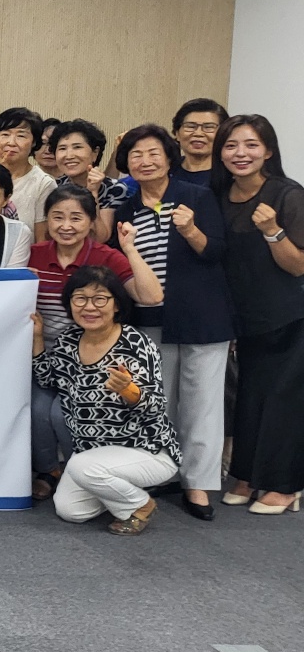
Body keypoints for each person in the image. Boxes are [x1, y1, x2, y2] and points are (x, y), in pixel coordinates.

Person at [115, 123, 233, 519]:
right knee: (158, 399)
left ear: (170, 158)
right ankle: (163, 470)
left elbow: (217, 252)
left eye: (153, 153)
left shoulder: (196, 196)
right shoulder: (127, 208)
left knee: (202, 405)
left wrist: (190, 229)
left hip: (202, 315)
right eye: (136, 154)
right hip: (150, 318)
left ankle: (197, 484)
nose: (145, 161)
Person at [28, 186, 164, 501]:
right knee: (36, 410)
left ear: (92, 222)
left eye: (76, 218)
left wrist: (130, 250)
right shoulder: (34, 254)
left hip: (89, 355)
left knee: (62, 413)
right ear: (47, 220)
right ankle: (49, 471)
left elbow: (152, 296)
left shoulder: (106, 257)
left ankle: (83, 473)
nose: (66, 225)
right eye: (57, 217)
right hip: (41, 351)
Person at [32, 266, 181, 535]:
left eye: (100, 298)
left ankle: (141, 505)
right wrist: (38, 338)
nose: (89, 307)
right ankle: (116, 488)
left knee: (78, 466)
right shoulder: (68, 341)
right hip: (93, 453)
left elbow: (156, 407)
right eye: (80, 298)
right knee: (70, 510)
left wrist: (129, 391)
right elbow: (48, 379)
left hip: (145, 450)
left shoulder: (136, 343)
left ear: (116, 304)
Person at [211, 115, 304, 515]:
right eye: (231, 145)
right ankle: (246, 476)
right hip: (245, 318)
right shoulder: (219, 194)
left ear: (268, 151)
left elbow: (298, 266)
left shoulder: (287, 195)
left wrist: (272, 231)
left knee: (283, 401)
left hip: (289, 315)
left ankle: (285, 486)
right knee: (248, 398)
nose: (240, 153)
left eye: (251, 145)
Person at [48, 119, 130, 243]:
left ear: (95, 153)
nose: (69, 155)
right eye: (62, 148)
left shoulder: (114, 189)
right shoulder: (53, 187)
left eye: (77, 147)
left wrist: (93, 193)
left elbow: (99, 238)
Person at [0, 107, 57, 239]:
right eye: (5, 134)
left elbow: (41, 241)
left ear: (34, 142)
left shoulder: (43, 184)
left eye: (21, 136)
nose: (11, 142)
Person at [171, 98, 229, 187]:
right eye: (190, 126)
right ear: (177, 133)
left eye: (209, 127)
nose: (198, 133)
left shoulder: (230, 175)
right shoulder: (166, 171)